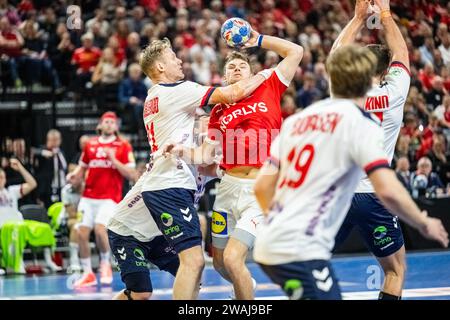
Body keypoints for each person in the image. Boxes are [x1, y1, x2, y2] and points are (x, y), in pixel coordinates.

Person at [252, 44, 449, 300]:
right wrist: (424, 223)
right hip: (301, 249)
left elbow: (262, 187)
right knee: (392, 270)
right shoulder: (358, 122)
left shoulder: (299, 120)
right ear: (371, 77)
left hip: (269, 245)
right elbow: (387, 189)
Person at [163, 29, 304, 300]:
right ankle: (245, 285)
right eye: (231, 67)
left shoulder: (269, 84)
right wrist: (181, 151)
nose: (237, 69)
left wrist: (258, 40)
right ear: (224, 77)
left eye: (242, 66)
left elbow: (296, 51)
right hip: (227, 190)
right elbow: (206, 154)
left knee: (232, 258)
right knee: (219, 263)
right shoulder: (217, 111)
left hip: (258, 190)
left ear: (250, 73)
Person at [138, 37, 270, 300]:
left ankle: (242, 287)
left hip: (164, 183)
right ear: (161, 67)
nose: (179, 60)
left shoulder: (152, 98)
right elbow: (233, 93)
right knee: (194, 262)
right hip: (170, 184)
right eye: (173, 57)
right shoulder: (176, 90)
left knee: (201, 262)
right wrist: (266, 74)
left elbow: (205, 158)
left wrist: (210, 160)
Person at [331, 0, 413, 299]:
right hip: (372, 195)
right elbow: (401, 53)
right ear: (386, 72)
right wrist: (386, 14)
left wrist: (357, 18)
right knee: (395, 270)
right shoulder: (393, 94)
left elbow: (337, 54)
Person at [66, 111, 136, 287]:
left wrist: (113, 159)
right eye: (106, 122)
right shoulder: (90, 145)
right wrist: (74, 177)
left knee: (99, 230)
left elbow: (132, 174)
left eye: (112, 122)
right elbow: (81, 170)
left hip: (109, 198)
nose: (109, 125)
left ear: (116, 126)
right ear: (100, 125)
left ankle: (105, 263)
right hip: (88, 197)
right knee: (81, 232)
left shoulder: (123, 146)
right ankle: (88, 272)